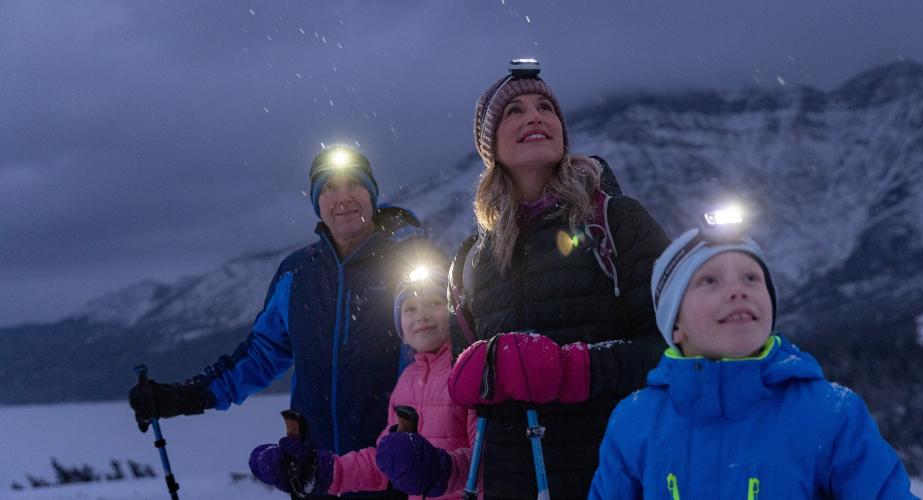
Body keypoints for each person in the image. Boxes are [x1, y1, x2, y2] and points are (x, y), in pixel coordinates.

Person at [128, 146, 444, 478]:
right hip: (316, 469)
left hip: (394, 469)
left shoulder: (410, 264)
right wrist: (184, 397)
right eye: (330, 188)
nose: (343, 197)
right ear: (317, 202)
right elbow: (260, 356)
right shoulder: (297, 274)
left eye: (354, 184)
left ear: (372, 193)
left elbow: (443, 353)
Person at [446, 59, 671, 499]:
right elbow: (470, 388)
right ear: (490, 147)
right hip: (513, 480)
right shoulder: (472, 258)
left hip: (616, 474)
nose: (534, 115)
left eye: (546, 107)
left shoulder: (616, 221)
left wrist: (574, 370)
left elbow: (675, 350)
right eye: (514, 111)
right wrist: (471, 380)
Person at [588, 210, 916, 499]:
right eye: (710, 281)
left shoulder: (832, 413)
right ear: (675, 326)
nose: (737, 290)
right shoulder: (634, 421)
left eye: (751, 278)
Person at [248, 267, 478, 498]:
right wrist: (323, 472)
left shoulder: (470, 372)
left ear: (454, 313)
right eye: (410, 308)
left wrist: (442, 471)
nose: (422, 315)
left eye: (435, 303)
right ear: (401, 332)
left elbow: (491, 461)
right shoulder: (407, 382)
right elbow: (385, 465)